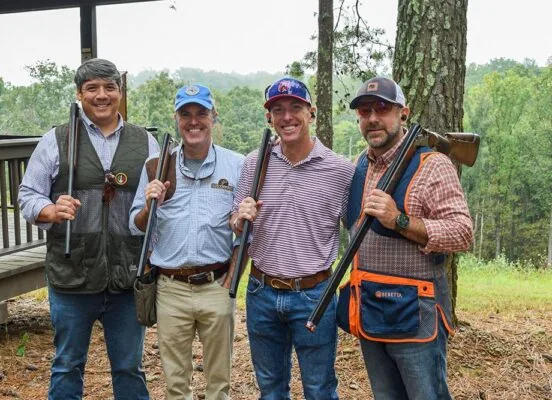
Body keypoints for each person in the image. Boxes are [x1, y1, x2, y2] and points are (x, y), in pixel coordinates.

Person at [18, 58, 155, 400]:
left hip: (127, 276)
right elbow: (28, 195)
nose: (102, 95)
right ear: (79, 94)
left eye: (110, 87)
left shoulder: (145, 143)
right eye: (92, 88)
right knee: (67, 364)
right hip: (72, 274)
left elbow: (155, 209)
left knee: (130, 367)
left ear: (120, 92)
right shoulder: (56, 140)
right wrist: (50, 210)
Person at [345, 76, 473, 399]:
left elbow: (462, 233)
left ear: (404, 113)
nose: (372, 118)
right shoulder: (358, 165)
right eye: (364, 111)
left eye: (382, 109)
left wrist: (399, 220)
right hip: (370, 310)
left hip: (416, 316)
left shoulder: (434, 165)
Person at [231, 77, 355, 399]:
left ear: (311, 112)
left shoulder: (340, 170)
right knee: (270, 390)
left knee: (319, 389)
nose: (287, 117)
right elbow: (236, 222)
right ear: (268, 117)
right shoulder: (254, 163)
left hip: (314, 294)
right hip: (261, 291)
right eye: (278, 110)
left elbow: (356, 229)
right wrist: (239, 218)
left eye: (295, 108)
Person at [129, 84, 244, 400]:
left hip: (216, 284)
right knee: (176, 384)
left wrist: (232, 278)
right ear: (176, 119)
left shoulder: (236, 164)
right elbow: (135, 226)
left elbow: (246, 229)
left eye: (201, 113)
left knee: (219, 383)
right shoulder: (156, 165)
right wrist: (149, 205)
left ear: (213, 116)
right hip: (170, 288)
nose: (194, 121)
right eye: (186, 114)